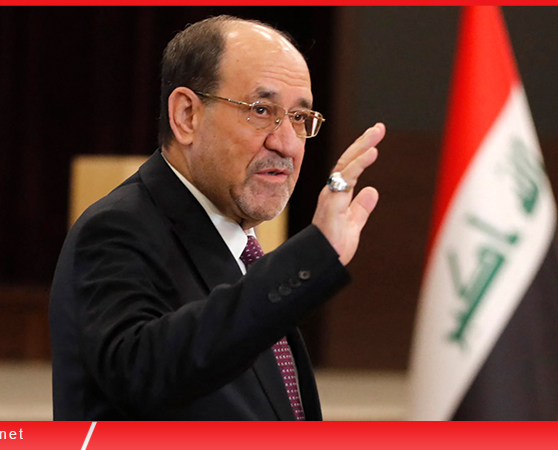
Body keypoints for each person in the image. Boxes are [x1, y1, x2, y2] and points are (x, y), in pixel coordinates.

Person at [49, 15, 385, 420]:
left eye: (299, 118)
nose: (286, 143)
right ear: (187, 115)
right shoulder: (117, 229)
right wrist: (308, 257)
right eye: (261, 110)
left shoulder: (244, 251)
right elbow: (142, 375)